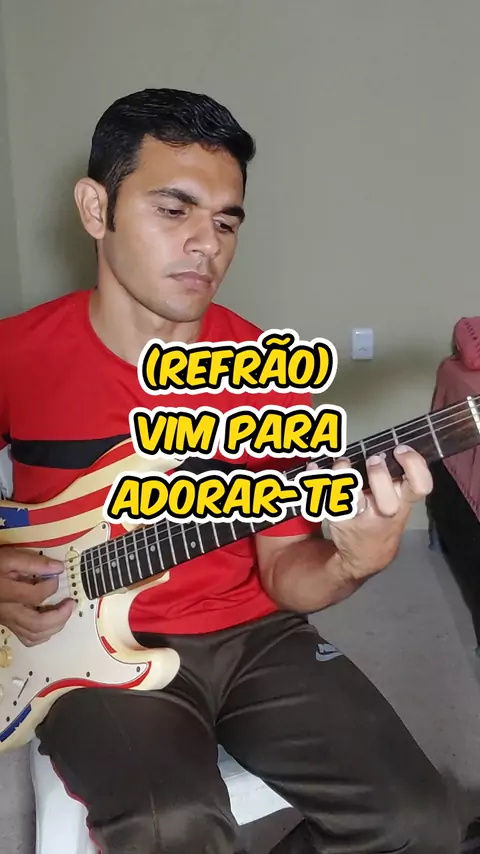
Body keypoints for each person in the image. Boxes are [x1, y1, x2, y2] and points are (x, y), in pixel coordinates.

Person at [0, 88, 460, 853]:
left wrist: (352, 563)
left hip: (256, 636)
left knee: (419, 821)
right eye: (173, 210)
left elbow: (286, 573)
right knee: (170, 823)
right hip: (80, 645)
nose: (205, 244)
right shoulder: (17, 353)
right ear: (95, 208)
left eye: (225, 221)